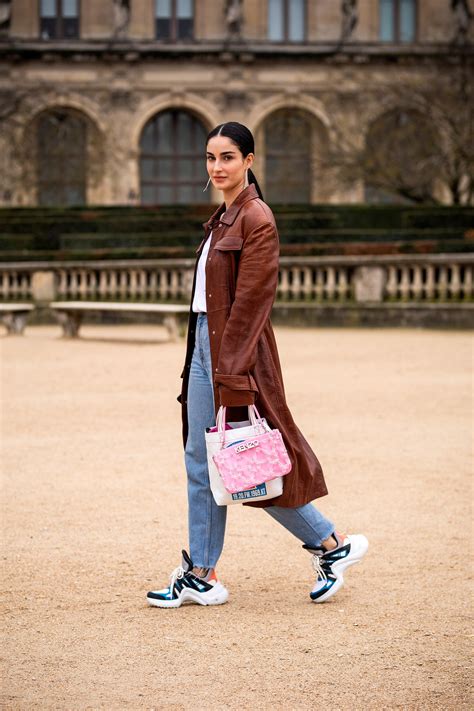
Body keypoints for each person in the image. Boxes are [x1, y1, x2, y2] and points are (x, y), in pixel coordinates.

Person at [147, 122, 368, 609]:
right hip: (206, 346)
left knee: (247, 463)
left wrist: (233, 373)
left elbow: (251, 306)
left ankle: (329, 545)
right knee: (207, 460)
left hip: (237, 355)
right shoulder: (223, 218)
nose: (217, 166)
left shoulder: (257, 218)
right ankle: (206, 572)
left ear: (248, 161)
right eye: (210, 158)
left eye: (227, 157)